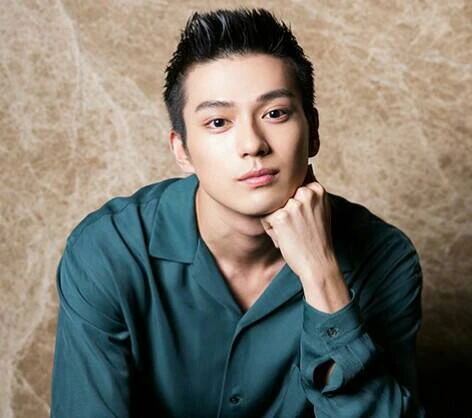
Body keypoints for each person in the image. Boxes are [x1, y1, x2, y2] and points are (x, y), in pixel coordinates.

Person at [50, 8, 425, 418]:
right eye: (218, 122)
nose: (252, 144)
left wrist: (321, 276)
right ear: (181, 150)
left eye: (275, 113)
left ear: (313, 130)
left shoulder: (385, 258)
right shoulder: (109, 252)